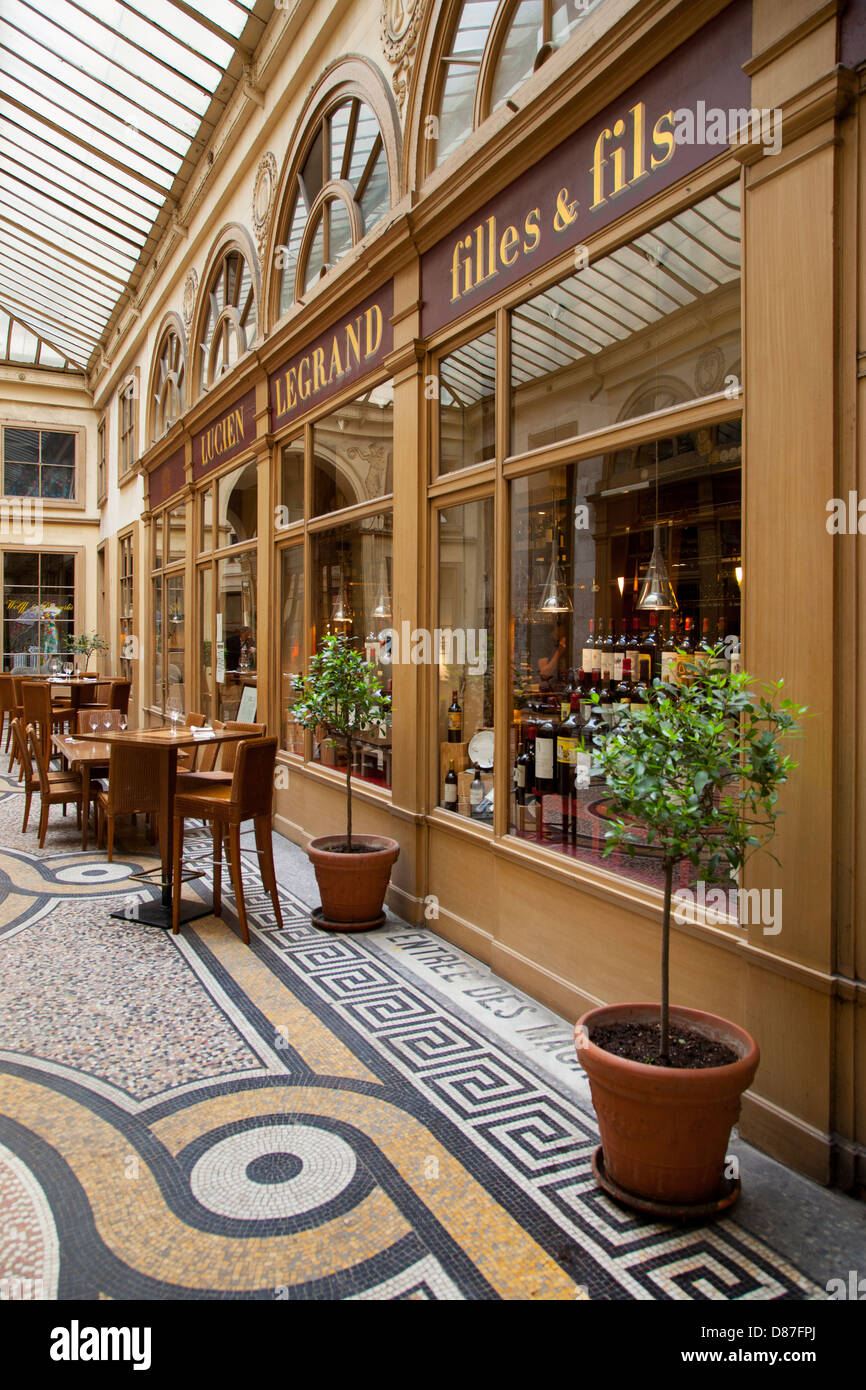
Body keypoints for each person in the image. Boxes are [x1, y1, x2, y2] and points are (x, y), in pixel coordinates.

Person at [538, 620, 569, 691]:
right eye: (560, 630)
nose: (562, 633)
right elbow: (545, 674)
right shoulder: (547, 643)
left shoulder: (567, 643)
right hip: (548, 688)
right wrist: (559, 651)